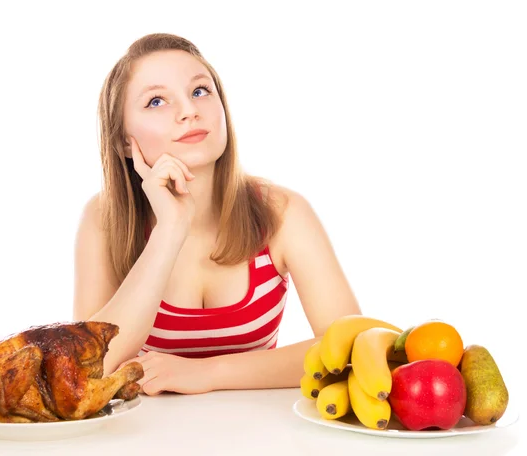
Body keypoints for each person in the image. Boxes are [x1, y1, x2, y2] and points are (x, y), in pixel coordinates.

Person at [73, 33, 361, 396]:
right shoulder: (103, 219)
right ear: (123, 142)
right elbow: (85, 371)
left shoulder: (283, 213)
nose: (189, 111)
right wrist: (170, 230)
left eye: (199, 91)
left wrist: (207, 374)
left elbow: (351, 347)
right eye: (157, 101)